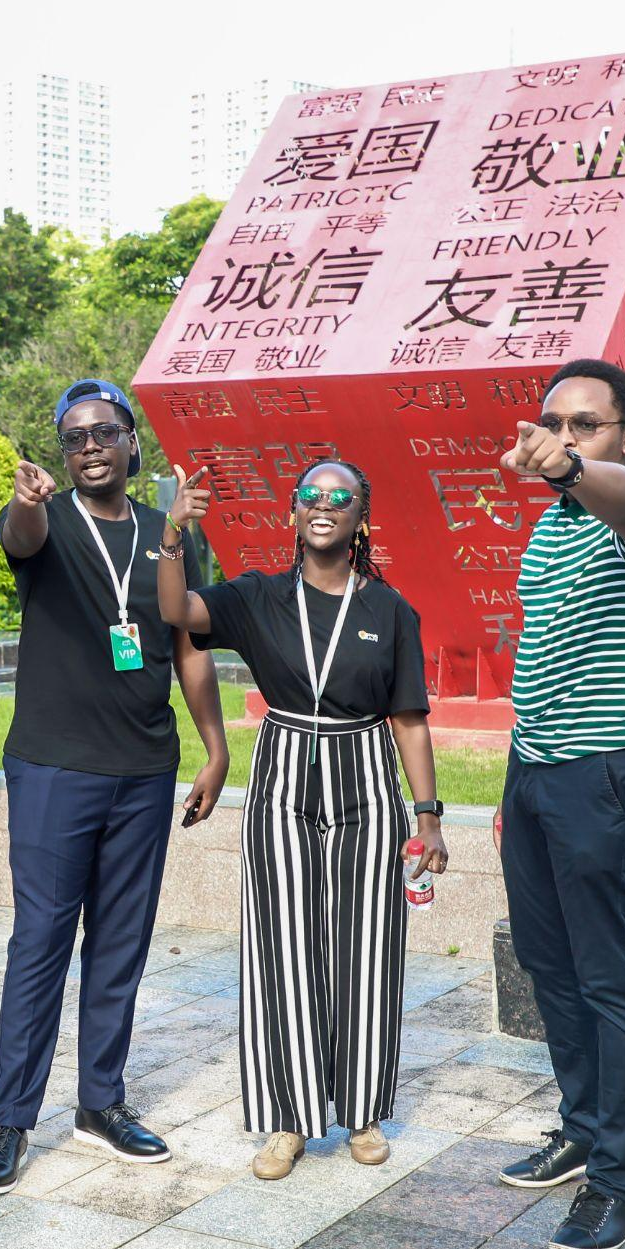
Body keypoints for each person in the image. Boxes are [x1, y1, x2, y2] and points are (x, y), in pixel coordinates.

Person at [0, 378, 230, 1197]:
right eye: (73, 436)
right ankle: (9, 1120)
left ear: (129, 444)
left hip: (143, 766)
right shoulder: (45, 523)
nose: (88, 446)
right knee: (40, 940)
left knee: (120, 941)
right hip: (54, 765)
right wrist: (25, 501)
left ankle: (101, 1103)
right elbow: (20, 533)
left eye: (103, 432)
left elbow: (187, 640)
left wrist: (214, 746)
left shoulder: (167, 530)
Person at [155, 459, 447, 1181]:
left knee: (367, 946)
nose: (324, 505)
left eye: (341, 497)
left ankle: (364, 1110)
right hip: (283, 773)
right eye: (311, 496)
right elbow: (176, 613)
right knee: (282, 944)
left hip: (365, 782)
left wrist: (430, 815)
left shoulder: (389, 610)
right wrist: (172, 535)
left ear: (360, 519)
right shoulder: (258, 596)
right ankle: (287, 1118)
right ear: (292, 515)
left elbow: (409, 721)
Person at [490, 358, 625, 1249]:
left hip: (611, 774)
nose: (567, 436)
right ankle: (582, 1125)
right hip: (536, 770)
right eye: (555, 423)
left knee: (611, 976)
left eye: (588, 424)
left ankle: (620, 1183)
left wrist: (569, 467)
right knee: (549, 961)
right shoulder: (553, 525)